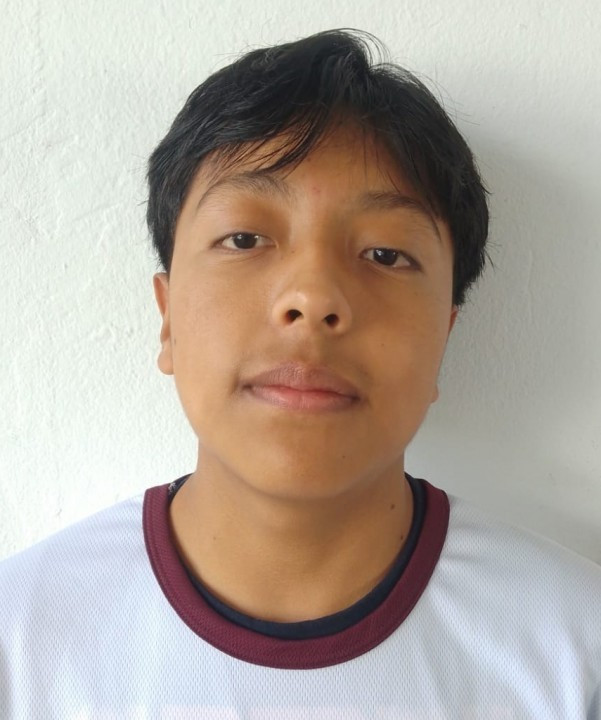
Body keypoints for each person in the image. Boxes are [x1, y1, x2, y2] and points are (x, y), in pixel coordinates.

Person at [1, 28, 600, 719]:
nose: (312, 298)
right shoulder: (20, 646)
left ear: (444, 334)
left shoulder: (576, 655)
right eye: (245, 238)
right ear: (167, 319)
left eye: (384, 254)